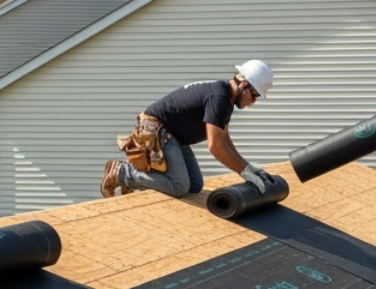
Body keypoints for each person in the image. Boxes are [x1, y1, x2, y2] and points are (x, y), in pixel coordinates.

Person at [101, 60, 278, 199]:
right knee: (179, 186)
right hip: (157, 128)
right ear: (243, 84)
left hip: (174, 136)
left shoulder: (225, 99)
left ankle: (133, 179)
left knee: (194, 185)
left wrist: (249, 168)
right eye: (254, 95)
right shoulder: (219, 96)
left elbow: (224, 139)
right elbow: (216, 146)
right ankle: (123, 172)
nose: (253, 102)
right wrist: (243, 172)